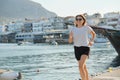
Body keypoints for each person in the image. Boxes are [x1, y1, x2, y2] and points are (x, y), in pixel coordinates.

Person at [68, 14, 96, 80]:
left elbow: (93, 34)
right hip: (77, 48)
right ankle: (87, 78)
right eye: (77, 19)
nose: (78, 20)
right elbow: (70, 41)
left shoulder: (86, 28)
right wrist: (70, 37)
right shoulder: (73, 29)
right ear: (75, 21)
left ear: (83, 20)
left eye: (80, 19)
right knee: (83, 66)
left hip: (85, 48)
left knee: (80, 66)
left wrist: (91, 41)